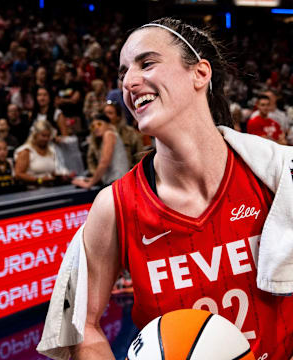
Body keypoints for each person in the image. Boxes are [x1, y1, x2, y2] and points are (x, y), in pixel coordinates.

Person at [37, 18, 293, 360]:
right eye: (123, 72)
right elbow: (81, 324)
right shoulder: (116, 206)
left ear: (200, 74)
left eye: (146, 63)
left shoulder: (278, 176)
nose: (129, 81)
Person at [72, 113, 129, 189]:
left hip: (117, 182)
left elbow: (104, 162)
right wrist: (92, 179)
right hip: (116, 182)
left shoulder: (108, 134)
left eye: (99, 124)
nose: (96, 128)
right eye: (93, 126)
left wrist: (90, 184)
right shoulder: (107, 137)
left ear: (108, 125)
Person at [14, 119, 71, 190]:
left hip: (51, 189)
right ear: (35, 135)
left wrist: (61, 176)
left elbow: (51, 171)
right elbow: (18, 174)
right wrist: (39, 180)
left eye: (48, 136)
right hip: (30, 191)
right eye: (43, 136)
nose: (46, 139)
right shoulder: (26, 151)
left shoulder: (51, 150)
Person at [103, 100, 143, 168]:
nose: (106, 117)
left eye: (110, 113)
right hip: (104, 176)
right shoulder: (97, 134)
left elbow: (139, 156)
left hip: (127, 173)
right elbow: (91, 159)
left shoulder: (130, 133)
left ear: (118, 117)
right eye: (105, 113)